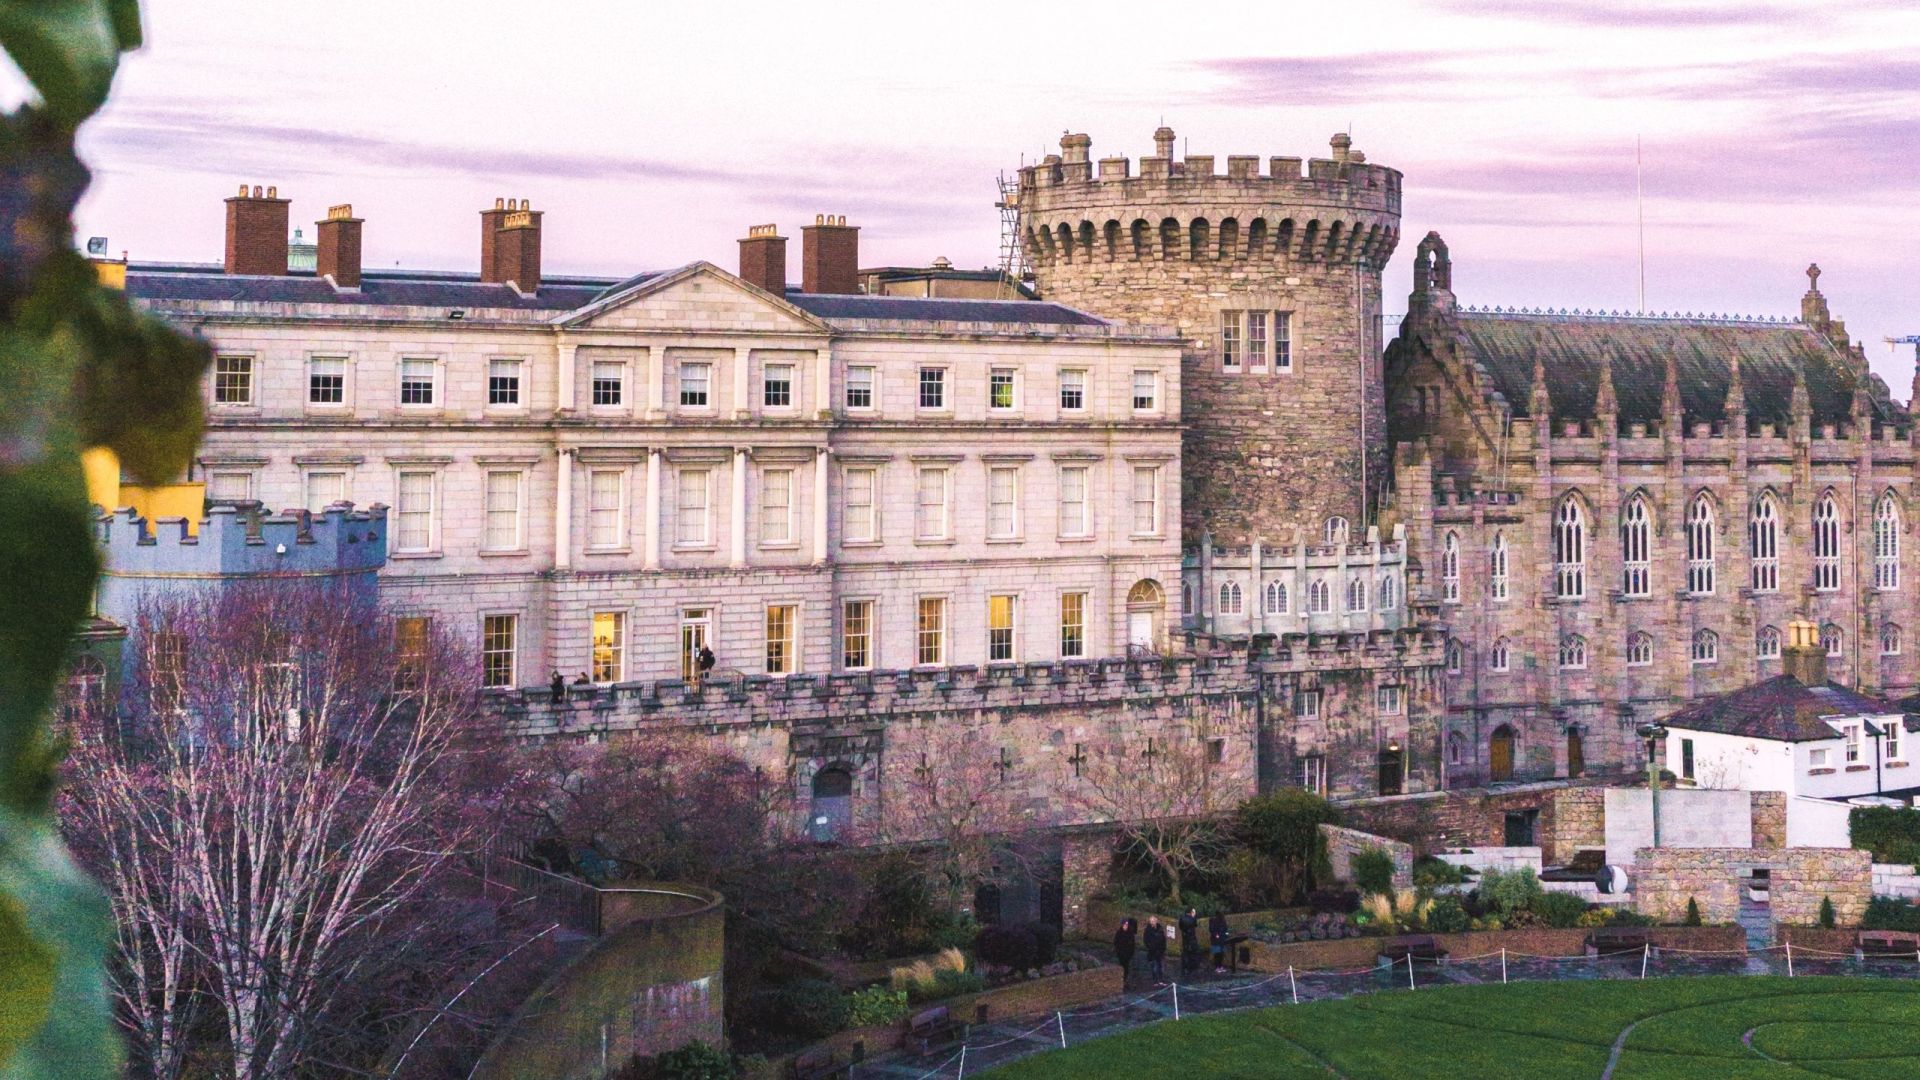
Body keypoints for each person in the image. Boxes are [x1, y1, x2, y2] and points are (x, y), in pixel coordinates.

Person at [1112, 917, 1137, 988]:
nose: (1126, 926)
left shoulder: (1130, 933)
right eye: (1124, 924)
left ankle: (1124, 980)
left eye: (1127, 924)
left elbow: (1132, 944)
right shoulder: (1119, 932)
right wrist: (1118, 951)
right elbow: (1116, 942)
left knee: (1126, 967)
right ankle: (1121, 980)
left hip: (1128, 953)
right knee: (1122, 966)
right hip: (1121, 953)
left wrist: (1131, 952)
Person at [1144, 915, 1168, 984]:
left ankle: (1161, 980)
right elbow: (1146, 940)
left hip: (1160, 952)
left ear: (1156, 921)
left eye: (1153, 921)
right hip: (1152, 952)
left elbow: (1163, 940)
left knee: (1161, 967)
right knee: (1154, 967)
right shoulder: (1148, 930)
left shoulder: (1160, 929)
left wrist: (1163, 948)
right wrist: (1151, 948)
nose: (1152, 922)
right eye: (1151, 921)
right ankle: (1155, 981)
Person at [1178, 906, 1201, 977]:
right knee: (1193, 954)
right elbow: (1195, 925)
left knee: (1185, 953)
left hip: (1185, 938)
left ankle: (1185, 968)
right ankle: (1191, 969)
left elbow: (1180, 927)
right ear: (1191, 912)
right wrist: (1193, 916)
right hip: (1192, 939)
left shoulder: (1181, 918)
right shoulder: (1192, 919)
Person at [1208, 910, 1230, 974]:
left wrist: (1226, 934)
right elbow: (1211, 929)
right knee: (1217, 954)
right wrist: (1216, 935)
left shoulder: (1223, 921)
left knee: (1221, 954)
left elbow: (1226, 929)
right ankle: (1217, 967)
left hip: (1222, 939)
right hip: (1216, 940)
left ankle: (1220, 966)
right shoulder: (1213, 920)